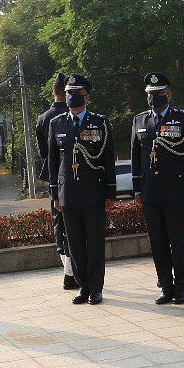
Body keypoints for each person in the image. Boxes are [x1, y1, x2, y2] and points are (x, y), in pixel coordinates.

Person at [130, 72, 184, 305]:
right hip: (150, 191)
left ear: (167, 94)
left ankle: (181, 287)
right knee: (157, 242)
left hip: (176, 190)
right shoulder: (140, 121)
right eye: (150, 94)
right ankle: (166, 285)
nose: (153, 98)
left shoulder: (183, 118)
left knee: (179, 241)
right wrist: (137, 190)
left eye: (158, 94)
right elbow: (135, 158)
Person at [47, 75, 116, 305]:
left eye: (76, 92)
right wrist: (54, 193)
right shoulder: (57, 123)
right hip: (68, 195)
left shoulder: (100, 123)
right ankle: (82, 287)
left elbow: (107, 159)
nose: (71, 96)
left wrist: (110, 193)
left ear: (86, 96)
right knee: (74, 243)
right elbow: (53, 162)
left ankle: (96, 288)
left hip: (93, 192)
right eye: (68, 92)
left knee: (95, 242)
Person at [35, 72, 76, 289]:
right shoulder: (74, 115)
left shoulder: (43, 119)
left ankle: (68, 271)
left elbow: (44, 154)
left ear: (53, 93)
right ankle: (75, 271)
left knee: (60, 225)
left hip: (55, 179)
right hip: (78, 177)